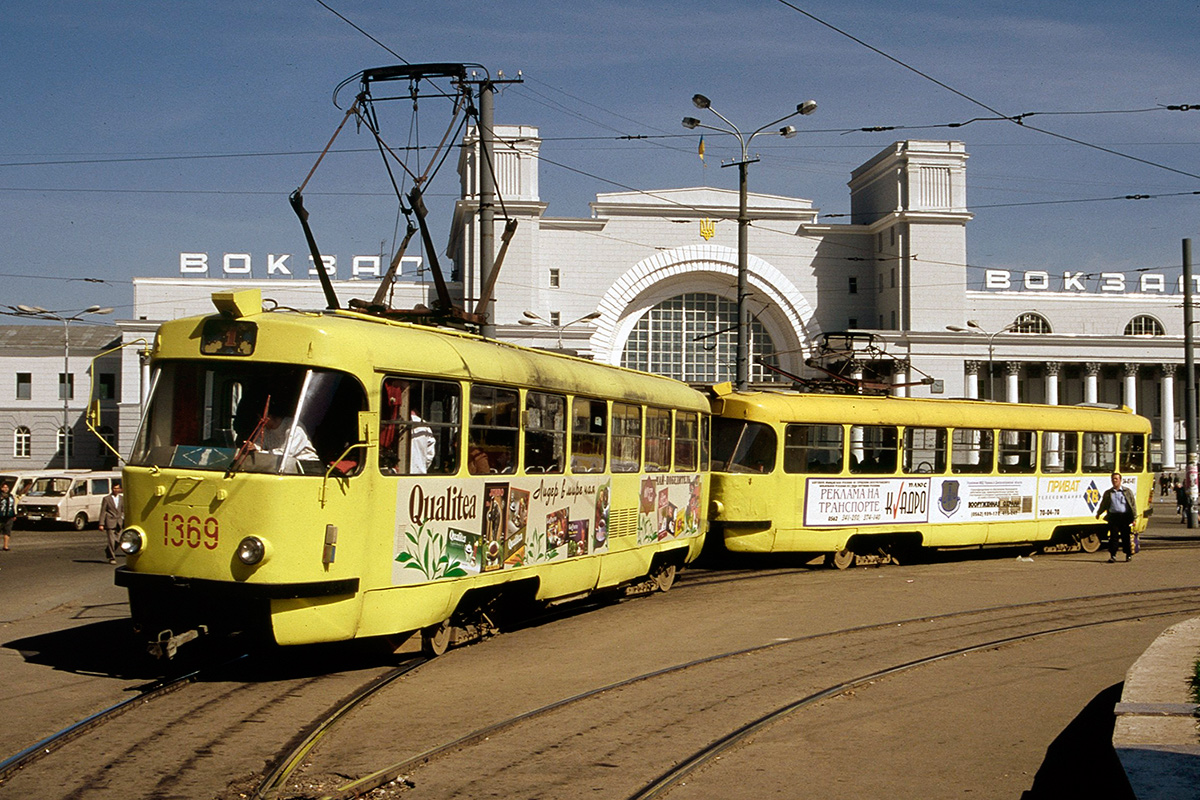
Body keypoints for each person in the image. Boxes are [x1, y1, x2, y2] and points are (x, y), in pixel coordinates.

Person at [1096, 471, 1137, 563]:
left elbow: (1133, 505)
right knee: (1113, 537)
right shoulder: (1108, 493)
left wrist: (1134, 518)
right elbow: (1103, 504)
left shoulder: (1127, 492)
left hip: (1124, 517)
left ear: (1120, 480)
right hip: (1113, 517)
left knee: (1125, 537)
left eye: (1116, 479)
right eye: (1113, 479)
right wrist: (1099, 513)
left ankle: (1128, 554)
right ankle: (1113, 555)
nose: (1114, 481)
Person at [99, 483, 125, 564]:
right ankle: (112, 557)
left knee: (118, 540)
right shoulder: (107, 499)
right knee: (111, 541)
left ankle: (108, 550)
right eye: (114, 488)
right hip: (110, 522)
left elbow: (123, 510)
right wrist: (101, 523)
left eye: (117, 488)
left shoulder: (122, 498)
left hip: (119, 522)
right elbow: (103, 511)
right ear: (112, 489)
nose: (116, 490)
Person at [0, 482, 15, 551]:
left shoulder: (10, 496)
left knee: (7, 531)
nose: (5, 489)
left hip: (9, 516)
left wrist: (14, 515)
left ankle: (5, 546)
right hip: (1, 515)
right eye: (4, 487)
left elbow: (12, 506)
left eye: (7, 487)